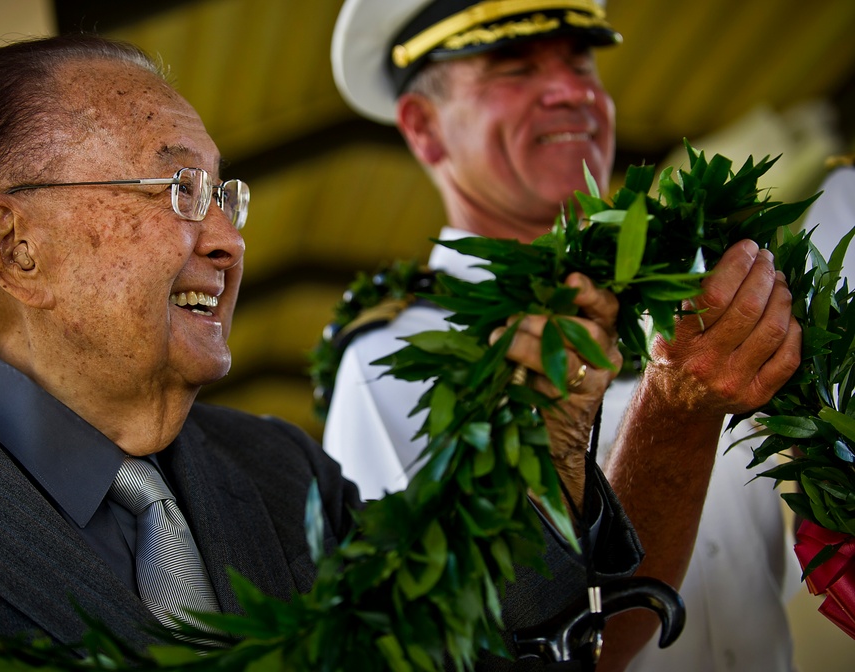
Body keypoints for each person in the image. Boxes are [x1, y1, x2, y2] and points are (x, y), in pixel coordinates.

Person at [0, 34, 642, 669]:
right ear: (15, 246)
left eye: (224, 196)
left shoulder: (280, 471)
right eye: (179, 191)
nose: (231, 240)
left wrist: (549, 446)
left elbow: (468, 637)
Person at [326, 1, 803, 670]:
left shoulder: (698, 289)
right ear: (423, 127)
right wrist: (673, 416)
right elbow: (461, 653)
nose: (574, 91)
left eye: (582, 62)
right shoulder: (389, 367)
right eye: (514, 69)